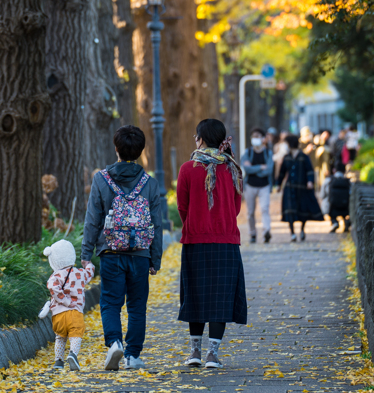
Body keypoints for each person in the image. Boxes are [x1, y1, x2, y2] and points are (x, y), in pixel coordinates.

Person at [82, 125, 166, 371]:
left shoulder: (101, 179)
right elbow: (157, 225)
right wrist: (155, 259)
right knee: (137, 305)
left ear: (115, 148)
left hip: (110, 252)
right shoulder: (150, 183)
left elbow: (92, 220)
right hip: (140, 254)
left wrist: (86, 255)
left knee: (109, 302)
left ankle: (114, 343)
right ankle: (132, 355)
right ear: (141, 151)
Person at [177, 119, 247, 369]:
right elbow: (236, 208)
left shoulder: (187, 168)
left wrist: (196, 222)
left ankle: (194, 352)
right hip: (226, 241)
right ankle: (212, 355)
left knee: (195, 295)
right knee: (221, 297)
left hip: (195, 240)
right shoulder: (233, 169)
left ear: (201, 138)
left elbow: (182, 208)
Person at [39, 239, 95, 371]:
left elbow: (53, 288)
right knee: (76, 335)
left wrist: (63, 300)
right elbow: (89, 273)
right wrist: (88, 264)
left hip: (58, 315)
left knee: (60, 337)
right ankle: (73, 354)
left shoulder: (55, 276)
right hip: (75, 312)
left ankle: (58, 361)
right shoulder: (80, 273)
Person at [278, 134, 324, 242]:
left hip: (302, 187)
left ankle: (302, 230)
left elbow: (309, 170)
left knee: (302, 209)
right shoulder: (286, 157)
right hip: (290, 188)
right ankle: (292, 233)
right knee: (290, 210)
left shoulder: (304, 156)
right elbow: (282, 172)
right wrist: (279, 185)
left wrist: (310, 181)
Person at [240, 127, 273, 244]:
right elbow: (246, 168)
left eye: (258, 136)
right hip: (250, 186)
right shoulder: (248, 153)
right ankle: (252, 233)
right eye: (254, 136)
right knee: (250, 212)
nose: (255, 139)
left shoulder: (268, 153)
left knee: (265, 209)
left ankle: (266, 231)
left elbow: (268, 170)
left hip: (264, 186)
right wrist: (260, 167)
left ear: (263, 139)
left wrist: (253, 168)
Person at [325, 162, 351, 232]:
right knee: (345, 213)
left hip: (333, 206)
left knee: (331, 211)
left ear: (334, 170)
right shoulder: (347, 181)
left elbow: (325, 194)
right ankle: (346, 221)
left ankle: (335, 222)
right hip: (345, 206)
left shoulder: (330, 180)